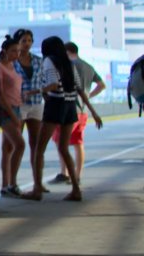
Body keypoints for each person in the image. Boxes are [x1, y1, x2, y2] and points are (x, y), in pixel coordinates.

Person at [22, 36, 102, 202]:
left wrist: (34, 92)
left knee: (39, 149)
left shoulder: (49, 61)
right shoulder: (69, 63)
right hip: (71, 106)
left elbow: (52, 84)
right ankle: (75, 189)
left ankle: (37, 189)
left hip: (56, 104)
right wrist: (93, 112)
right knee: (64, 148)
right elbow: (80, 90)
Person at [49, 42, 106, 184]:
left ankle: (65, 172)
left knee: (60, 141)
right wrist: (89, 96)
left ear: (67, 52)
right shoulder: (88, 67)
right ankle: (78, 175)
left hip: (68, 108)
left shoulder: (67, 65)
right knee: (78, 142)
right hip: (83, 110)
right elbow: (102, 85)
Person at [12, 28, 47, 193]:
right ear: (17, 43)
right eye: (23, 41)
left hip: (36, 104)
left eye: (29, 40)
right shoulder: (12, 61)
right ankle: (12, 183)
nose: (27, 44)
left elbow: (44, 82)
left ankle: (38, 183)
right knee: (18, 144)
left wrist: (37, 93)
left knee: (36, 145)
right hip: (18, 105)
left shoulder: (38, 61)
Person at [0, 35, 25, 197]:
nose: (17, 54)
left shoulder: (14, 66)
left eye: (18, 51)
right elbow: (0, 95)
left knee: (7, 148)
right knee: (20, 145)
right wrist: (12, 116)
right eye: (14, 51)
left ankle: (5, 185)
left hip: (17, 108)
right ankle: (13, 183)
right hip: (5, 110)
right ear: (5, 51)